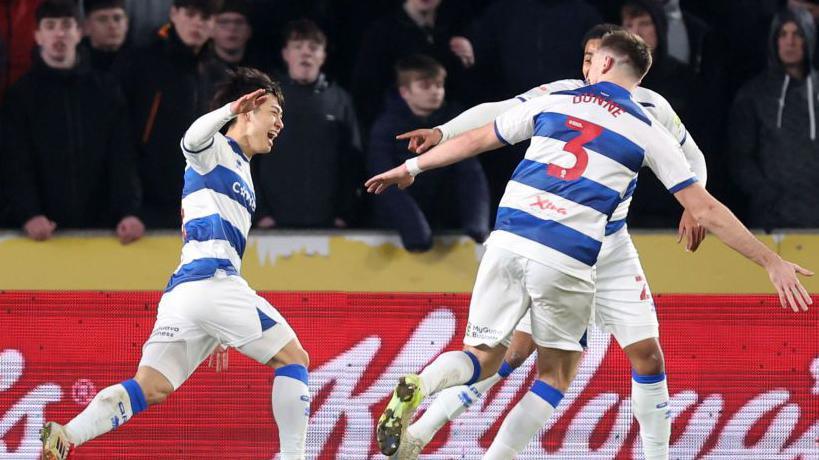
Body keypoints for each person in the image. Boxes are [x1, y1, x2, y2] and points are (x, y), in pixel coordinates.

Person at [366, 30, 812, 459]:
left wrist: (414, 166)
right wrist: (768, 259)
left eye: (591, 58)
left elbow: (484, 134)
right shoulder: (636, 122)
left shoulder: (583, 101)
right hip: (572, 247)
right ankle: (439, 438)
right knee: (552, 370)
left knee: (500, 353)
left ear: (603, 62)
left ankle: (420, 393)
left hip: (535, 238)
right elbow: (707, 201)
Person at [40, 68, 311, 460]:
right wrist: (227, 110)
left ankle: (68, 436)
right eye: (274, 112)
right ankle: (294, 456)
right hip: (213, 283)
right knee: (295, 359)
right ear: (247, 110)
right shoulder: (214, 149)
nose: (280, 123)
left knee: (150, 386)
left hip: (188, 294)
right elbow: (190, 140)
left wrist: (219, 327)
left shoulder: (245, 172)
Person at [1, 0, 142, 243]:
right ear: (38, 35)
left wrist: (127, 211)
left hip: (104, 229)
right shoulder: (20, 95)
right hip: (41, 230)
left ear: (80, 32)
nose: (59, 33)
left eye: (67, 25)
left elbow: (122, 157)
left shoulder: (106, 90)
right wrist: (29, 213)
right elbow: (16, 163)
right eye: (50, 25)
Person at [115, 0, 228, 228]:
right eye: (190, 13)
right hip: (146, 208)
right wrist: (128, 208)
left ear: (214, 24)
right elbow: (120, 142)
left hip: (204, 210)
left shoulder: (219, 77)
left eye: (205, 18)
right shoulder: (139, 65)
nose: (197, 23)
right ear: (174, 14)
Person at [367, 54, 489, 251]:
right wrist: (413, 229)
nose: (435, 92)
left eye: (439, 85)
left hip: (447, 225)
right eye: (425, 86)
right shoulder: (385, 127)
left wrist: (477, 223)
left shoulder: (454, 123)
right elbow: (383, 181)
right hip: (396, 233)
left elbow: (470, 174)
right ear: (405, 91)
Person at [253, 19, 362, 229]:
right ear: (286, 54)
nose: (306, 53)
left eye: (313, 47)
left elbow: (353, 162)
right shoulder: (265, 100)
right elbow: (248, 159)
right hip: (272, 226)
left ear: (323, 56)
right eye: (298, 47)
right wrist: (261, 214)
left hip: (328, 224)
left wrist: (344, 214)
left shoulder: (340, 100)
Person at [729, 5, 819, 229]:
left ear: (809, 38)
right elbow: (739, 156)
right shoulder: (753, 94)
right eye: (783, 34)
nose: (790, 42)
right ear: (774, 40)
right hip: (771, 218)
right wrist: (764, 194)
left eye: (798, 34)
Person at [81, 0, 129, 73]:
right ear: (86, 27)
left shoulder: (142, 64)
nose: (112, 26)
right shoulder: (75, 64)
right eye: (103, 19)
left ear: (126, 24)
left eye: (117, 18)